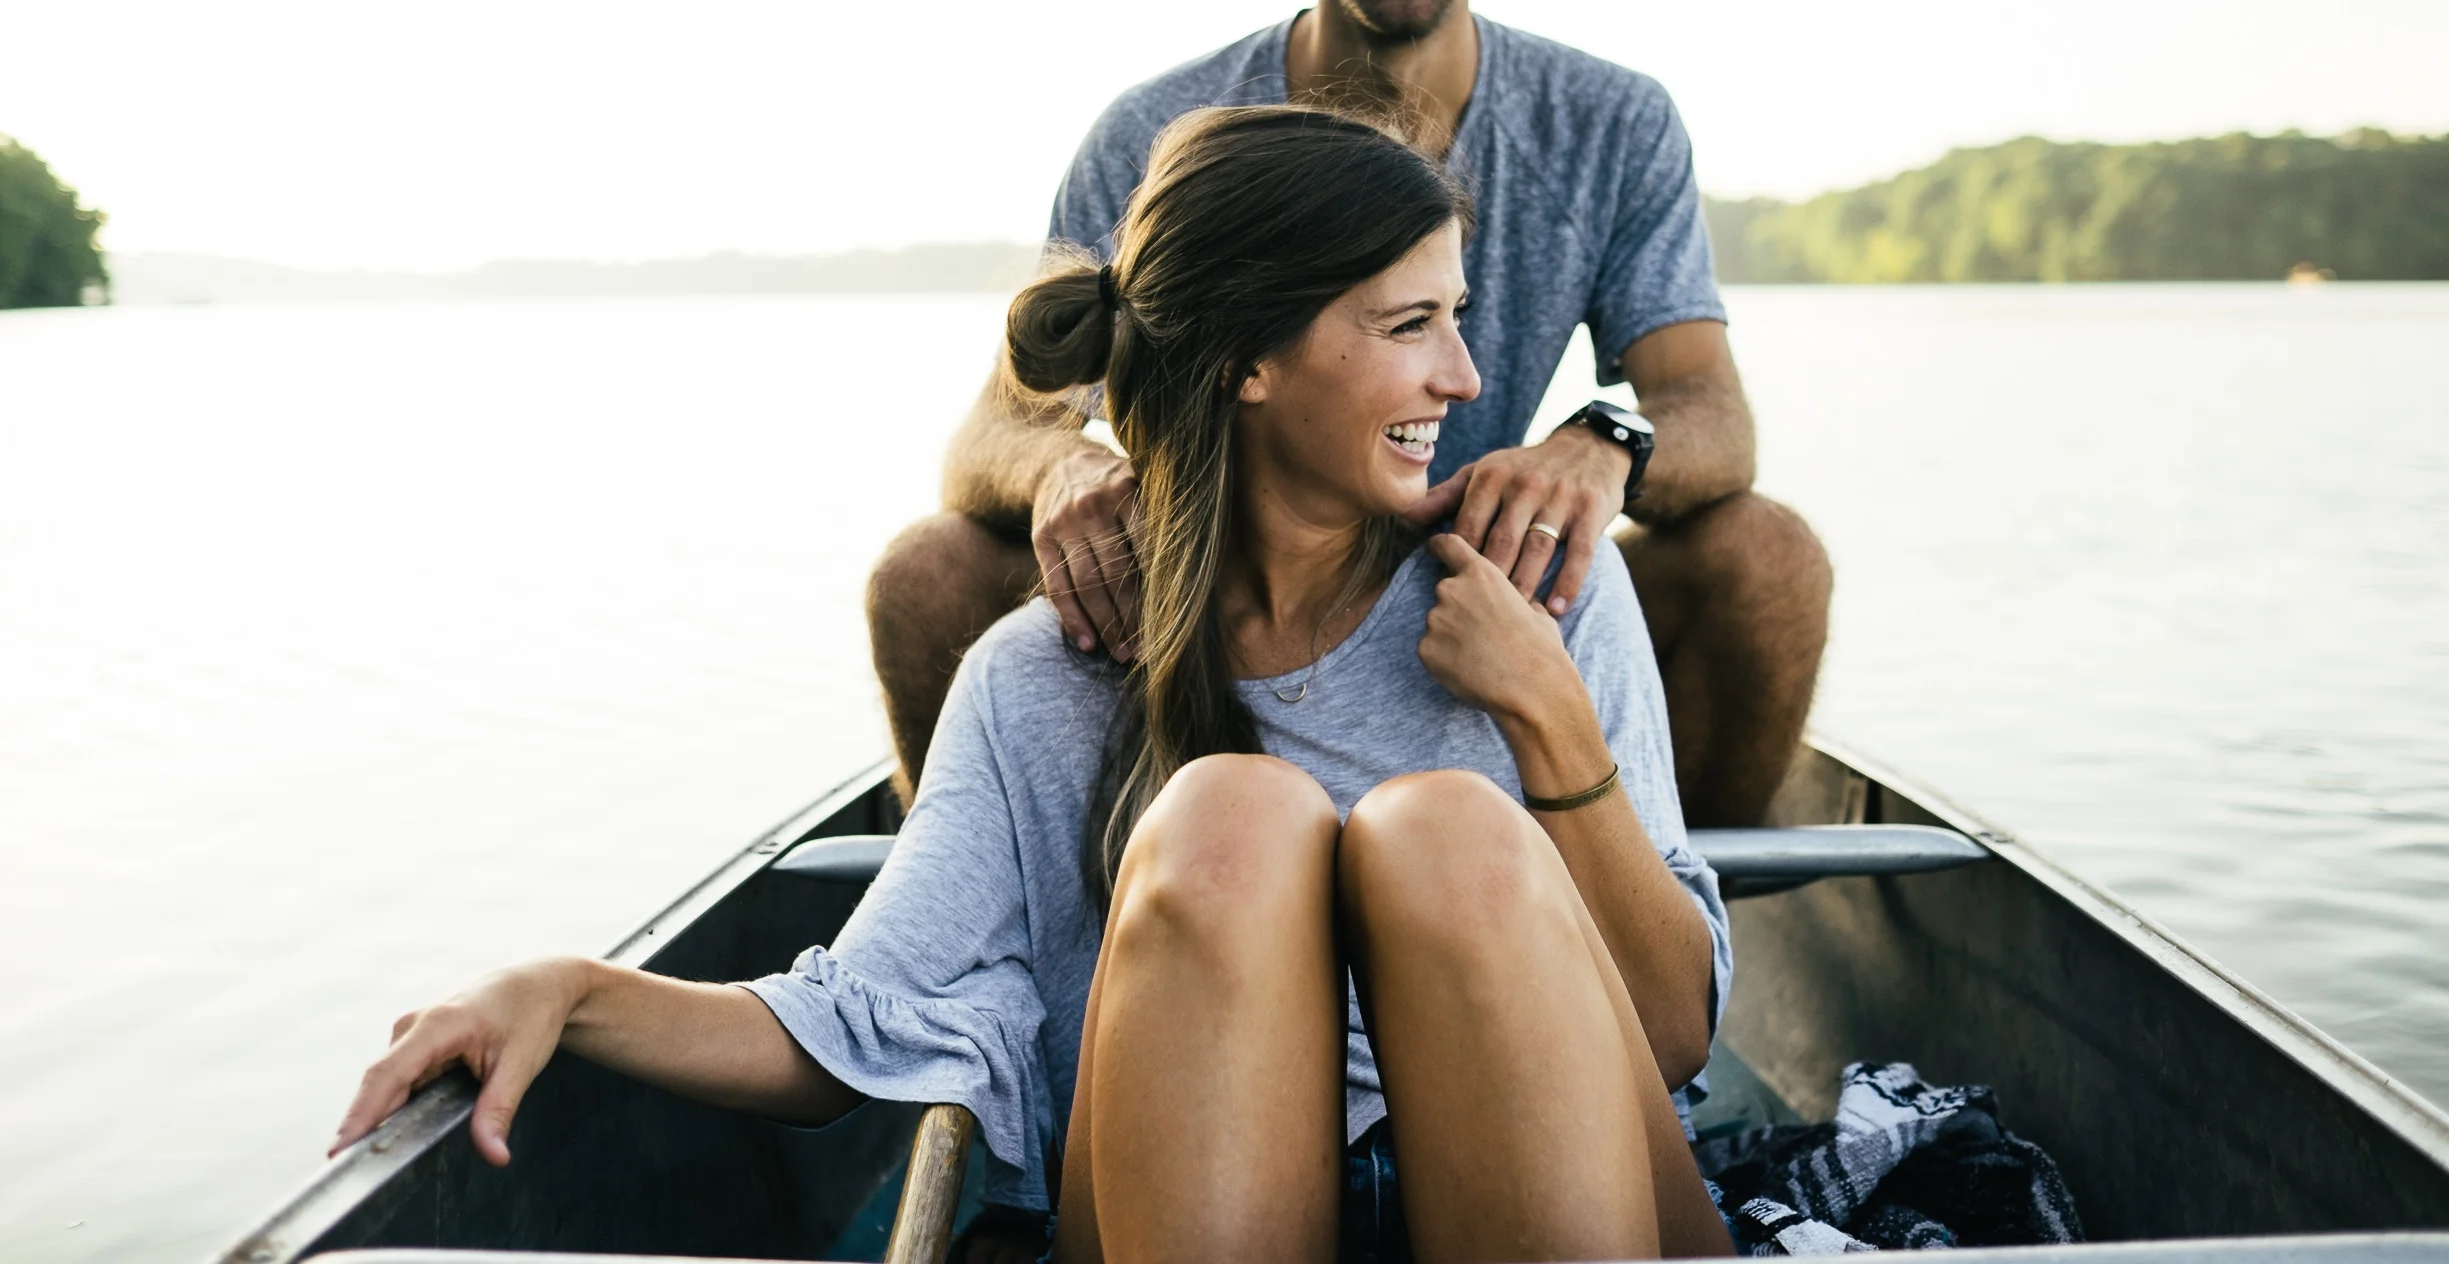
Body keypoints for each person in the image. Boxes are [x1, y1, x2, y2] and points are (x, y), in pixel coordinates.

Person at [334, 106, 1736, 1262]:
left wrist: (1549, 718)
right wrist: (569, 989)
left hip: (1543, 1207)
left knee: (1441, 829)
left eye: (1458, 314)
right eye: (1410, 323)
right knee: (1223, 822)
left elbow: (1675, 1037)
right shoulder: (1040, 676)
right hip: (1205, 1208)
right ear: (1248, 358)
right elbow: (853, 1023)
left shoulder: (1540, 584)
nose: (1469, 371)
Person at [869, 0, 1832, 829]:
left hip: (1470, 586)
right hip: (1207, 606)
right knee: (927, 577)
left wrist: (1603, 439)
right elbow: (996, 426)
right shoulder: (1154, 130)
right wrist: (1062, 465)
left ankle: (1675, 909)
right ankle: (984, 948)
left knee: (1767, 560)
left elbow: (1712, 415)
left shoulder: (1613, 122)